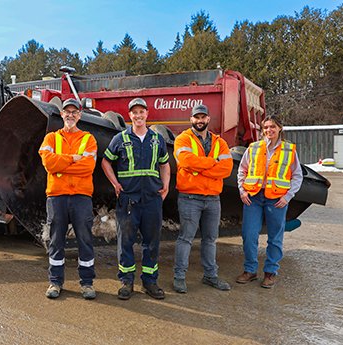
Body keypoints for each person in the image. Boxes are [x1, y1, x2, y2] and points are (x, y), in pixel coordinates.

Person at [101, 98, 170, 300]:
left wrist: (166, 185)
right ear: (129, 115)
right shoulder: (120, 139)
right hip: (128, 200)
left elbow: (165, 164)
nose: (138, 116)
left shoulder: (157, 139)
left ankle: (150, 281)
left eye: (141, 112)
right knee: (126, 242)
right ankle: (127, 281)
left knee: (152, 242)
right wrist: (115, 183)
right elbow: (106, 162)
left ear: (147, 114)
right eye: (134, 112)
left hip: (152, 199)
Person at [38, 98, 98, 299]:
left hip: (81, 197)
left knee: (85, 240)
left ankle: (87, 283)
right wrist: (72, 159)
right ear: (61, 115)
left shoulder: (88, 139)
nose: (70, 115)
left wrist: (61, 166)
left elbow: (88, 167)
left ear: (79, 115)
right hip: (57, 197)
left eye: (74, 112)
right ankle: (55, 282)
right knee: (56, 241)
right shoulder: (51, 138)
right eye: (67, 112)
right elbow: (48, 163)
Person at [172, 104, 234, 293]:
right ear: (191, 119)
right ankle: (179, 277)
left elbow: (227, 168)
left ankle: (210, 276)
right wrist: (212, 164)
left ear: (208, 119)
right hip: (190, 197)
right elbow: (185, 161)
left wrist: (200, 169)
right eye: (196, 117)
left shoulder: (219, 142)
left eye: (203, 117)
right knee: (186, 238)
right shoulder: (183, 139)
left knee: (210, 239)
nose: (200, 120)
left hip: (213, 199)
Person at [236, 115, 303, 288]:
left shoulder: (289, 150)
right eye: (265, 127)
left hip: (276, 199)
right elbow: (242, 170)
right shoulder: (253, 148)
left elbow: (297, 175)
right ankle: (250, 270)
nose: (269, 130)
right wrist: (242, 191)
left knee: (275, 237)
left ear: (280, 128)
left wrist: (287, 196)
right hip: (253, 198)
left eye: (272, 127)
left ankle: (270, 272)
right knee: (249, 235)